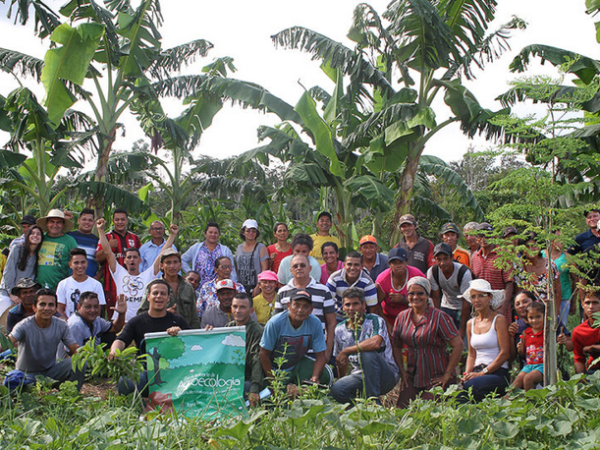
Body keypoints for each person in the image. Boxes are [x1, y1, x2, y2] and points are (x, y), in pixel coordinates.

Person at [392, 277, 463, 408]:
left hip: (437, 376)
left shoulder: (439, 317)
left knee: (426, 411)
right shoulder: (402, 317)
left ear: (427, 295)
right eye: (411, 293)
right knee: (400, 411)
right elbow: (396, 345)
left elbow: (458, 345)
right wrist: (403, 372)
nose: (415, 297)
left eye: (420, 293)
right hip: (413, 376)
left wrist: (447, 374)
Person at [110, 279, 190, 395]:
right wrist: (114, 351)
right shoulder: (137, 321)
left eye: (163, 294)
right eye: (155, 293)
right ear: (148, 297)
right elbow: (121, 340)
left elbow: (192, 343)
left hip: (175, 370)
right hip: (145, 370)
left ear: (168, 298)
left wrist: (180, 334)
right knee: (127, 382)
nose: (159, 296)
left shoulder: (177, 321)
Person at [96, 218, 176, 321]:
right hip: (121, 321)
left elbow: (162, 254)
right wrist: (100, 230)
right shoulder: (119, 273)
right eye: (129, 257)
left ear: (140, 260)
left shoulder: (148, 275)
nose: (132, 260)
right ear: (124, 261)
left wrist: (172, 235)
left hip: (142, 321)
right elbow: (107, 251)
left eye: (135, 257)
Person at [330, 288, 398, 404]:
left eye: (355, 304)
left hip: (385, 375)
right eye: (347, 305)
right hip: (359, 376)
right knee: (337, 389)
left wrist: (347, 350)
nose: (351, 308)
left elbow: (376, 343)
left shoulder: (375, 320)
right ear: (343, 307)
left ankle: (374, 403)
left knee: (367, 354)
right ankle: (358, 410)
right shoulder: (340, 329)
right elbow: (341, 361)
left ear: (363, 305)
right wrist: (342, 379)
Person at [7, 289, 82, 389]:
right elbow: (7, 343)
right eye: (42, 304)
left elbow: (74, 348)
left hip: (50, 374)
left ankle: (72, 396)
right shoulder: (24, 325)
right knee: (11, 380)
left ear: (55, 309)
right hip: (26, 375)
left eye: (51, 305)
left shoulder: (61, 325)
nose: (47, 308)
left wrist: (90, 356)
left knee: (80, 360)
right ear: (34, 308)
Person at [260, 290, 333, 390]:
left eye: (305, 306)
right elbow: (263, 354)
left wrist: (315, 377)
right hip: (275, 368)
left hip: (296, 364)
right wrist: (273, 383)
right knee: (269, 392)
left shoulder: (315, 323)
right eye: (296, 305)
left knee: (326, 373)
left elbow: (320, 356)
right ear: (289, 306)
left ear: (311, 309)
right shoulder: (275, 323)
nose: (300, 310)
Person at [274, 254, 336, 361]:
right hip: (288, 351)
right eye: (295, 266)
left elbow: (331, 323)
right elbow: (277, 323)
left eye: (302, 265)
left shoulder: (323, 290)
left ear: (310, 268)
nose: (299, 268)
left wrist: (328, 351)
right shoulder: (282, 292)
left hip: (316, 351)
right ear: (290, 270)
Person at [459, 279, 511, 402]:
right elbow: (471, 354)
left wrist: (482, 373)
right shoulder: (470, 323)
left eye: (481, 296)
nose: (477, 300)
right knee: (460, 396)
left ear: (490, 298)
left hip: (496, 373)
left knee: (471, 388)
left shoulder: (499, 320)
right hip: (477, 372)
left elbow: (505, 353)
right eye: (473, 297)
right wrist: (467, 374)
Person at [137, 248, 201, 329]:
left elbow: (194, 316)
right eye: (168, 262)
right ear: (161, 266)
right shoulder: (153, 286)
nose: (172, 266)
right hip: (160, 333)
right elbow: (141, 313)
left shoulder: (188, 287)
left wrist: (194, 336)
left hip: (184, 335)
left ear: (180, 265)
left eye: (175, 262)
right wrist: (162, 313)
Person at [96, 208, 141, 313]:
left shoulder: (135, 238)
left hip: (132, 285)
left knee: (132, 314)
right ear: (113, 221)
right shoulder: (106, 237)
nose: (120, 222)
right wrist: (109, 247)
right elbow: (98, 257)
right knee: (113, 316)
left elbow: (140, 259)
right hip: (112, 285)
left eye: (122, 219)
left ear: (127, 220)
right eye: (117, 220)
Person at [226, 293, 264, 407]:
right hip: (229, 378)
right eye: (235, 306)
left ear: (251, 310)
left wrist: (254, 389)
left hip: (247, 379)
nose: (238, 310)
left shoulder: (257, 331)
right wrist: (210, 333)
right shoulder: (227, 327)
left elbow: (256, 360)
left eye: (242, 307)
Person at [470, 222, 514, 321]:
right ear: (477, 239)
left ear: (494, 236)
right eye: (480, 236)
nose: (484, 239)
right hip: (481, 308)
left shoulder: (503, 255)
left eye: (487, 235)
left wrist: (503, 307)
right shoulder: (474, 258)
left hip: (499, 307)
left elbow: (509, 284)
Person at [427, 243, 472, 337]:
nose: (442, 263)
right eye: (439, 259)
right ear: (435, 259)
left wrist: (462, 329)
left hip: (463, 307)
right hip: (446, 306)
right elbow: (435, 297)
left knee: (463, 341)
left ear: (451, 257)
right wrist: (437, 320)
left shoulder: (463, 273)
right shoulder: (433, 271)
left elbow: (466, 301)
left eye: (445, 258)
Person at [375, 247, 425, 328]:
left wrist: (404, 299)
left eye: (401, 262)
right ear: (389, 265)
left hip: (413, 316)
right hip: (389, 317)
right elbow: (376, 304)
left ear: (406, 262)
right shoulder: (383, 280)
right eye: (395, 263)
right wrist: (386, 324)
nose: (398, 266)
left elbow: (425, 299)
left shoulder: (416, 275)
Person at [0, 225, 43, 314]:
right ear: (27, 236)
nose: (35, 236)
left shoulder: (39, 256)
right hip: (7, 293)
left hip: (24, 295)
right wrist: (12, 294)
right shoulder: (17, 249)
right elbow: (8, 272)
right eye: (32, 233)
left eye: (38, 234)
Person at [181, 222, 237, 287]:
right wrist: (190, 273)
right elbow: (183, 260)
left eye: (215, 233)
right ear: (205, 234)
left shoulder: (225, 250)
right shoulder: (196, 248)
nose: (213, 235)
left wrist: (234, 285)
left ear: (219, 235)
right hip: (198, 288)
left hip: (220, 289)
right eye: (210, 232)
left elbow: (232, 270)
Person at [326, 251, 378, 321]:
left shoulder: (367, 282)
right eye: (349, 264)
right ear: (344, 265)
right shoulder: (334, 278)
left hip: (359, 318)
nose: (352, 268)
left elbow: (373, 308)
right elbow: (327, 302)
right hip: (338, 316)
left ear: (362, 266)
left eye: (356, 265)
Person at [56, 248, 106, 319]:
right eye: (76, 263)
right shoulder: (63, 284)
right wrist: (69, 324)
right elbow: (60, 309)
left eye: (83, 262)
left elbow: (98, 311)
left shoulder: (96, 285)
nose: (80, 266)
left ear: (87, 263)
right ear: (70, 264)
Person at [36, 209, 78, 292]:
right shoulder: (40, 239)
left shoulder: (70, 241)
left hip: (60, 288)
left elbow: (76, 262)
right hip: (38, 287)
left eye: (58, 222)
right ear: (47, 224)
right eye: (52, 222)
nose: (55, 225)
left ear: (63, 225)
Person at [512, 302, 545, 391]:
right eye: (531, 318)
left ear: (544, 316)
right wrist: (520, 348)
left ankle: (530, 401)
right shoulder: (526, 333)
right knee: (517, 382)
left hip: (543, 366)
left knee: (528, 378)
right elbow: (523, 354)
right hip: (529, 365)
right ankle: (508, 399)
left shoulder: (546, 333)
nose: (534, 320)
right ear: (527, 318)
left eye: (538, 317)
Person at [545, 230, 574, 325]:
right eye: (558, 238)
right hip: (544, 298)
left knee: (560, 326)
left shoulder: (567, 257)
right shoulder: (541, 254)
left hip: (564, 298)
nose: (561, 241)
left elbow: (576, 280)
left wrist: (573, 301)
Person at [236, 219, 269, 294]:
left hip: (255, 286)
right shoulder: (239, 248)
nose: (251, 233)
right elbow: (237, 267)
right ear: (243, 232)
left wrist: (258, 286)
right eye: (248, 231)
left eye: (253, 231)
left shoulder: (261, 247)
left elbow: (265, 268)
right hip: (241, 286)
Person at [572, 290, 600, 374]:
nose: (591, 307)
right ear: (582, 305)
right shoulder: (578, 331)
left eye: (595, 303)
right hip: (593, 371)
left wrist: (593, 348)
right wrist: (580, 379)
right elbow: (579, 359)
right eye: (587, 303)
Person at [68, 208, 99, 277]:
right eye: (84, 219)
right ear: (78, 221)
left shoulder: (97, 241)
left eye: (90, 220)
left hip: (90, 282)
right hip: (70, 281)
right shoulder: (70, 236)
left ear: (94, 223)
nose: (87, 222)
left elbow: (104, 263)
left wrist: (97, 277)